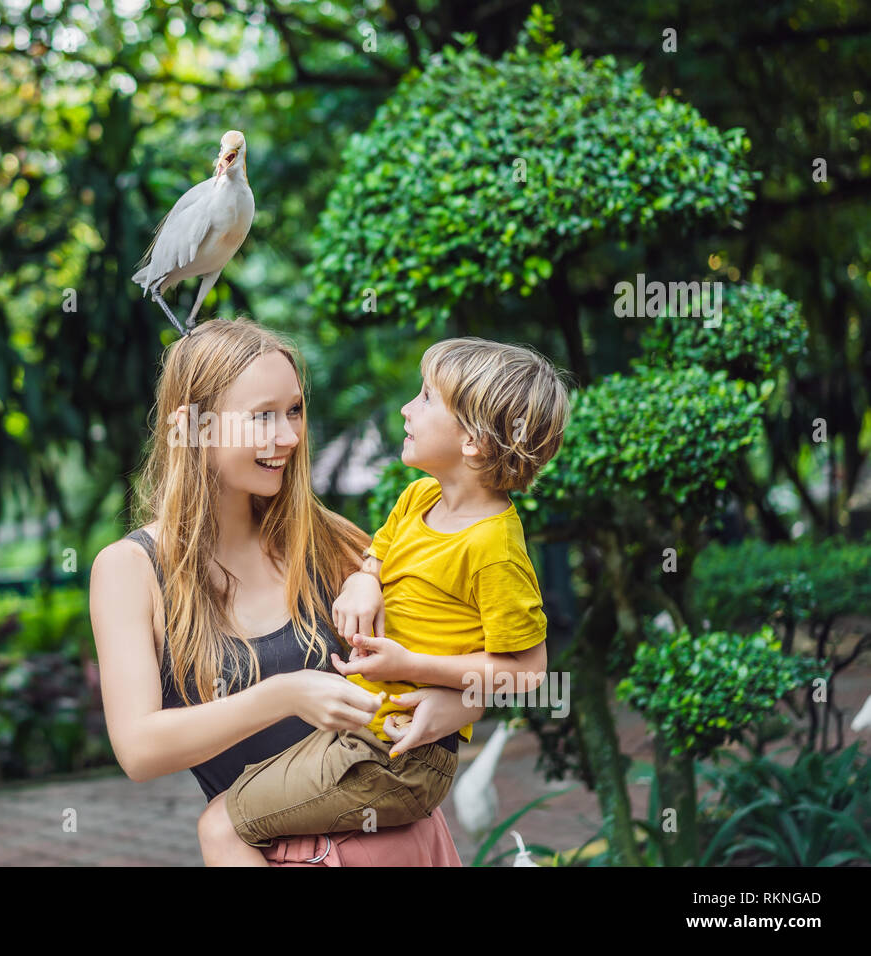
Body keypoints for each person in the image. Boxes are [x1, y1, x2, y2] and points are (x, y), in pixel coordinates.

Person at [89, 318, 482, 866]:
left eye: (294, 410)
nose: (289, 436)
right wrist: (286, 694)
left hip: (407, 843)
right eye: (263, 417)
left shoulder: (336, 546)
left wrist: (457, 700)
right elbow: (139, 750)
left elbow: (462, 656)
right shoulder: (132, 571)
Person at [198, 336, 571, 865]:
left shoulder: (493, 548)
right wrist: (364, 581)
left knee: (222, 824)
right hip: (364, 737)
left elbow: (529, 671)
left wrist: (411, 665)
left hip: (401, 762)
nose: (406, 408)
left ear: (474, 441)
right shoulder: (418, 499)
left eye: (425, 398)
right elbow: (377, 555)